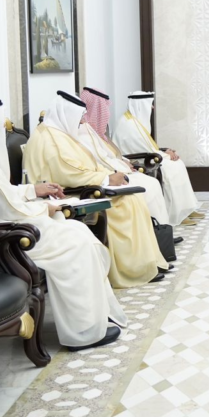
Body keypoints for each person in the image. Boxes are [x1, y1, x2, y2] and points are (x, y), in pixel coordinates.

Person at [0, 93, 127, 350]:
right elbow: (5, 207)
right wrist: (45, 208)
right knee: (76, 244)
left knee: (77, 232)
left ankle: (93, 318)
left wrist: (32, 191)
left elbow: (1, 193)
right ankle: (82, 332)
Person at [25, 91, 168, 288]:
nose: (82, 122)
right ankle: (130, 270)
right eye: (79, 117)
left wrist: (110, 175)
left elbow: (85, 164)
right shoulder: (51, 139)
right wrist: (106, 178)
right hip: (65, 193)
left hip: (77, 185)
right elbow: (69, 172)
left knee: (133, 198)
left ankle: (146, 264)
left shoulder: (58, 133)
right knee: (125, 204)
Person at [79, 87, 172, 228]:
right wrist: (122, 167)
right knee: (149, 185)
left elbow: (111, 154)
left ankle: (161, 230)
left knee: (152, 184)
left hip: (117, 170)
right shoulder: (84, 134)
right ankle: (156, 230)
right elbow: (100, 161)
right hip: (107, 177)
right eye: (104, 108)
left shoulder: (94, 133)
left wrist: (125, 162)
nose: (107, 113)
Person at [114, 91, 200, 226]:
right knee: (171, 167)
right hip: (136, 161)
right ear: (141, 105)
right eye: (150, 104)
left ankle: (185, 210)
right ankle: (176, 214)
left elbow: (147, 147)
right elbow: (140, 150)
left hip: (147, 157)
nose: (152, 107)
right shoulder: (128, 124)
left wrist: (164, 152)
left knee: (177, 164)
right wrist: (166, 155)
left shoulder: (135, 121)